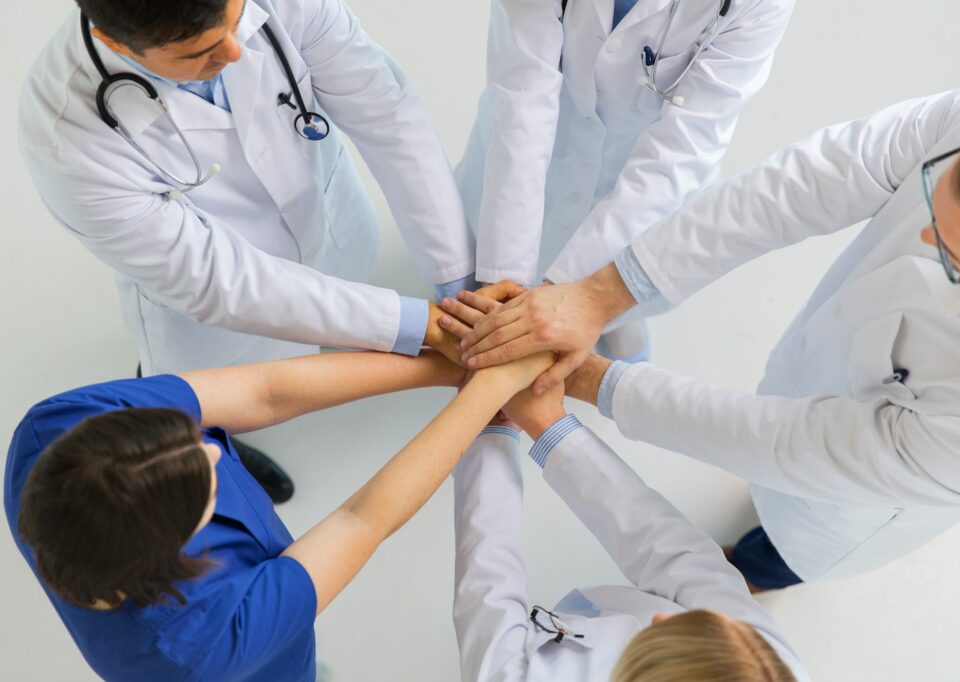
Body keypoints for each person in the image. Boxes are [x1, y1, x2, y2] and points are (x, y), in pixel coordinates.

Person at [442, 77, 960, 589]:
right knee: (775, 425)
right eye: (932, 197)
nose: (923, 239)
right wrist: (600, 294)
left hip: (856, 494)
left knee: (777, 552)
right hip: (832, 366)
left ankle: (750, 568)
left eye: (954, 257)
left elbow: (799, 444)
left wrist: (596, 382)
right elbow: (804, 184)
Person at [19, 0, 476, 502]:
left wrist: (458, 289)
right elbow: (220, 281)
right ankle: (202, 441)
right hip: (210, 313)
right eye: (202, 50)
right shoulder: (67, 134)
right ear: (115, 42)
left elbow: (389, 116)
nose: (237, 51)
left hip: (327, 221)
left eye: (238, 21)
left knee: (332, 311)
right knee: (197, 402)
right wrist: (421, 326)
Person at [5, 348, 551, 681]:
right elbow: (362, 520)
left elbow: (262, 391)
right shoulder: (200, 647)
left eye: (191, 439)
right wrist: (491, 389)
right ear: (175, 552)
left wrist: (449, 366)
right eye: (204, 484)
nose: (218, 450)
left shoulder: (52, 429)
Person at [455, 0, 794, 361]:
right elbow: (523, 96)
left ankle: (612, 320)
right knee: (480, 270)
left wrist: (575, 299)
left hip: (650, 175)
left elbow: (680, 152)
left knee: (618, 287)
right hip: (539, 143)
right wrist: (504, 282)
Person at [451, 381, 809, 681]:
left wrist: (490, 427)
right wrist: (548, 425)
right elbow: (671, 553)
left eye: (659, 636)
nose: (659, 616)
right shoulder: (765, 665)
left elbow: (487, 584)